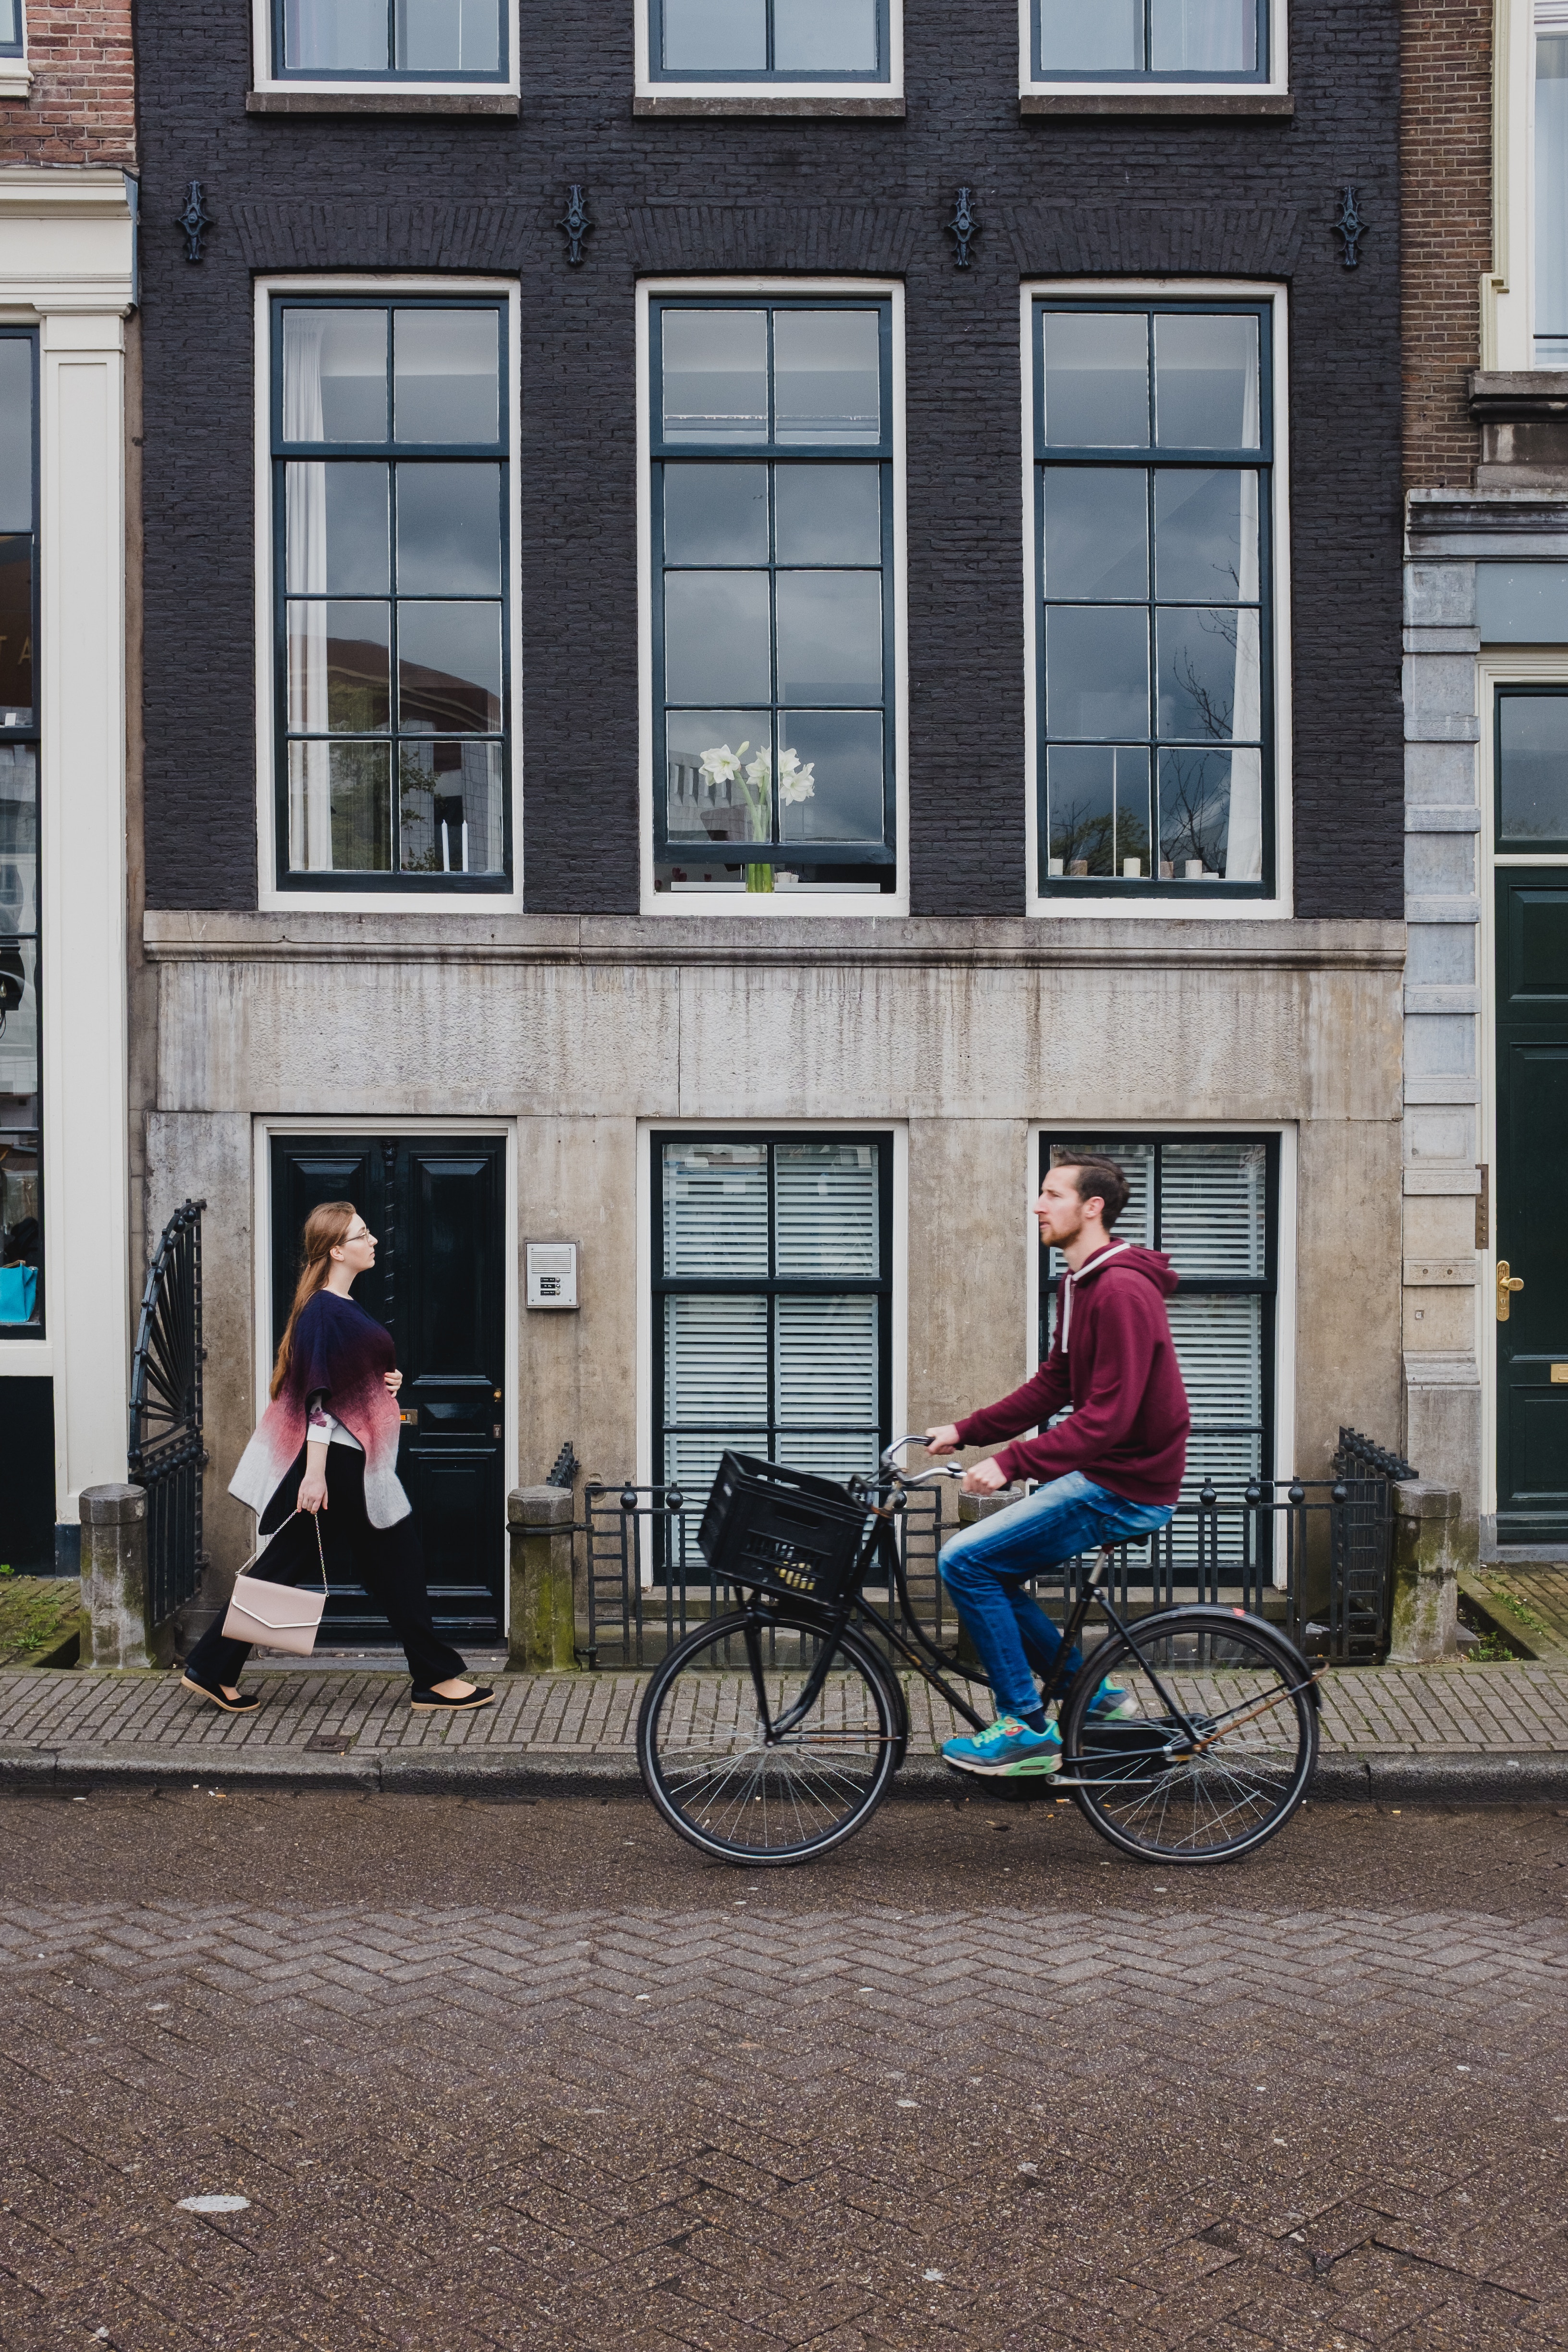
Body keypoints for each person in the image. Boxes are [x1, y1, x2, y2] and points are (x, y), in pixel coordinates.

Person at [923, 1152, 1190, 1778]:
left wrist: (1011, 1462)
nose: (1038, 1206)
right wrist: (967, 1431)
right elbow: (1055, 1384)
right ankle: (1093, 1696)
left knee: (964, 1561)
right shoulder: (1079, 1282)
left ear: (1091, 1207)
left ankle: (1024, 1729)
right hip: (1107, 1472)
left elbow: (1111, 1416)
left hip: (1127, 1484)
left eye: (1052, 1194)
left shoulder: (1121, 1289)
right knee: (993, 1569)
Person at [181, 1200, 494, 1717]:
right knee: (398, 1563)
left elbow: (349, 1380)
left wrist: (386, 1382)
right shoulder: (326, 1310)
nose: (374, 1241)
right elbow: (319, 1402)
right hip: (341, 1466)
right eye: (362, 1234)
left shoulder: (341, 1307)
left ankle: (211, 1668)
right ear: (336, 1250)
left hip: (348, 1462)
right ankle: (434, 1678)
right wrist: (315, 1476)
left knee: (288, 1566)